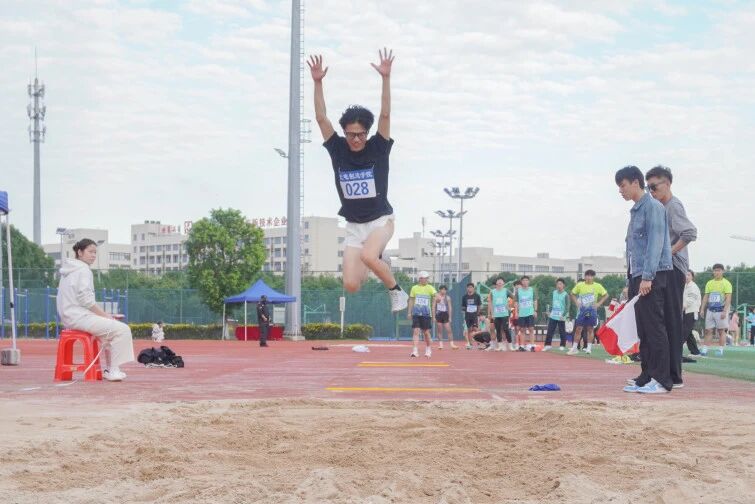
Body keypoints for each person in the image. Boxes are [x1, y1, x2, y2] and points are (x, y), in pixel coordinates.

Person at [308, 49, 408, 313]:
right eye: (351, 134)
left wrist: (385, 78)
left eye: (361, 134)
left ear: (367, 132)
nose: (356, 139)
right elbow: (321, 118)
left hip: (380, 221)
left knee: (367, 255)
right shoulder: (337, 149)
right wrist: (318, 83)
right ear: (344, 133)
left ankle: (397, 291)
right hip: (354, 226)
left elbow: (385, 115)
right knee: (351, 285)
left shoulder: (378, 147)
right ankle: (378, 260)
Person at [616, 166, 674, 394]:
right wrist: (632, 278)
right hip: (637, 275)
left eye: (622, 185)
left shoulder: (653, 207)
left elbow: (655, 244)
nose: (620, 191)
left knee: (654, 327)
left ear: (635, 182)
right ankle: (646, 375)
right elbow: (633, 249)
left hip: (652, 274)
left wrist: (648, 276)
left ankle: (662, 380)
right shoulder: (636, 211)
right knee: (643, 328)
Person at [646, 165, 698, 387]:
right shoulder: (660, 207)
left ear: (667, 183)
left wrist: (669, 252)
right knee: (664, 321)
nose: (651, 191)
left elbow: (690, 232)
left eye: (654, 186)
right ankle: (664, 372)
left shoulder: (673, 206)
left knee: (673, 321)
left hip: (674, 268)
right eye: (648, 188)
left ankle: (675, 376)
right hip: (665, 267)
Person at [57, 239, 135, 382]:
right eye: (90, 252)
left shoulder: (68, 270)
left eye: (95, 252)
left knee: (108, 334)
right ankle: (113, 370)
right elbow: (86, 300)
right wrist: (106, 316)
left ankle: (110, 369)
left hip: (69, 316)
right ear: (80, 252)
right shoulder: (83, 270)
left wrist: (103, 316)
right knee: (123, 329)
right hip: (79, 317)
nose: (93, 255)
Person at [568, 270, 608, 355]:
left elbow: (606, 295)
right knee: (578, 329)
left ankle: (589, 348)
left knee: (590, 329)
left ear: (593, 277)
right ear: (585, 276)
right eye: (587, 275)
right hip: (582, 311)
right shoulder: (580, 285)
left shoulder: (597, 286)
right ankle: (574, 348)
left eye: (591, 276)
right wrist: (576, 303)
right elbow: (572, 294)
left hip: (592, 310)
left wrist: (598, 304)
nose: (589, 277)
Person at [699, 264, 732, 356]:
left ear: (723, 271)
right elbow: (706, 296)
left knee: (721, 331)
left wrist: (725, 311)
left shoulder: (726, 283)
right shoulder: (709, 283)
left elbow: (728, 298)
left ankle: (720, 349)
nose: (716, 272)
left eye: (718, 270)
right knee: (708, 330)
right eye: (715, 270)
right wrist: (702, 309)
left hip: (721, 310)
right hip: (710, 310)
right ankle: (705, 348)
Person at [407, 271, 436, 358]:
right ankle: (415, 351)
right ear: (420, 279)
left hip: (426, 314)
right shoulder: (414, 288)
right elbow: (411, 300)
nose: (426, 279)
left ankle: (428, 349)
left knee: (426, 332)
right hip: (416, 313)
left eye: (427, 278)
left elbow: (436, 296)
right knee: (416, 331)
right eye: (425, 278)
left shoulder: (430, 288)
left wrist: (437, 298)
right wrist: (409, 312)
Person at [487, 277, 514, 351]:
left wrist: (510, 306)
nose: (499, 282)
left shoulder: (506, 291)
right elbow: (490, 303)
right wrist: (491, 314)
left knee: (505, 329)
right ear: (496, 283)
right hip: (496, 314)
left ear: (503, 283)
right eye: (498, 281)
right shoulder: (492, 292)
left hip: (505, 314)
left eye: (501, 281)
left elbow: (514, 298)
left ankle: (510, 345)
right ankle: (500, 346)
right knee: (498, 330)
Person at [544, 278, 570, 351]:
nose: (559, 285)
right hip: (553, 315)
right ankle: (547, 345)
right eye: (558, 284)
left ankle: (562, 345)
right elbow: (551, 302)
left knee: (562, 331)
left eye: (560, 284)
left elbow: (567, 306)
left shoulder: (566, 295)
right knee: (550, 330)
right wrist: (549, 311)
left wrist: (563, 315)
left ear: (563, 285)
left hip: (561, 316)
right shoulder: (554, 292)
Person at [682, 270, 702, 358]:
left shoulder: (693, 287)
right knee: (688, 333)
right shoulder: (684, 286)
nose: (686, 276)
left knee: (683, 332)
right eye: (685, 275)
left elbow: (690, 301)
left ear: (692, 277)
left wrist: (680, 308)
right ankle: (695, 352)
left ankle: (676, 351)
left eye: (688, 275)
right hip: (685, 312)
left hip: (691, 312)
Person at [515, 276, 538, 351]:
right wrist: (516, 312)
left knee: (531, 329)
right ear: (521, 282)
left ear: (529, 281)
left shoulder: (532, 290)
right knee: (522, 330)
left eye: (526, 280)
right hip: (522, 313)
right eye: (523, 280)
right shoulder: (518, 291)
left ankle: (532, 346)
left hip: (530, 312)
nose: (525, 282)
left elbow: (535, 300)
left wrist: (535, 311)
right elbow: (516, 302)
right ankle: (522, 346)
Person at [433, 285, 456, 350]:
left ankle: (452, 344)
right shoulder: (436, 297)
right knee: (439, 330)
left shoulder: (448, 298)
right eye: (442, 289)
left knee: (449, 330)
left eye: (445, 290)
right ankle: (440, 345)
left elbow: (450, 307)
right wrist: (434, 317)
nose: (443, 291)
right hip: (438, 314)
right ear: (439, 290)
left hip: (445, 314)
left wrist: (450, 317)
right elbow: (433, 307)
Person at [461, 283, 482, 350]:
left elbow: (479, 305)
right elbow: (463, 306)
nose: (469, 288)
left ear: (473, 288)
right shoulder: (464, 297)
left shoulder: (477, 296)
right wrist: (466, 309)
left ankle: (479, 343)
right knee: (469, 329)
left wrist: (478, 313)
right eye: (468, 287)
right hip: (468, 315)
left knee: (475, 329)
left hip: (475, 315)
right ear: (467, 288)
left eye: (471, 287)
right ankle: (470, 344)